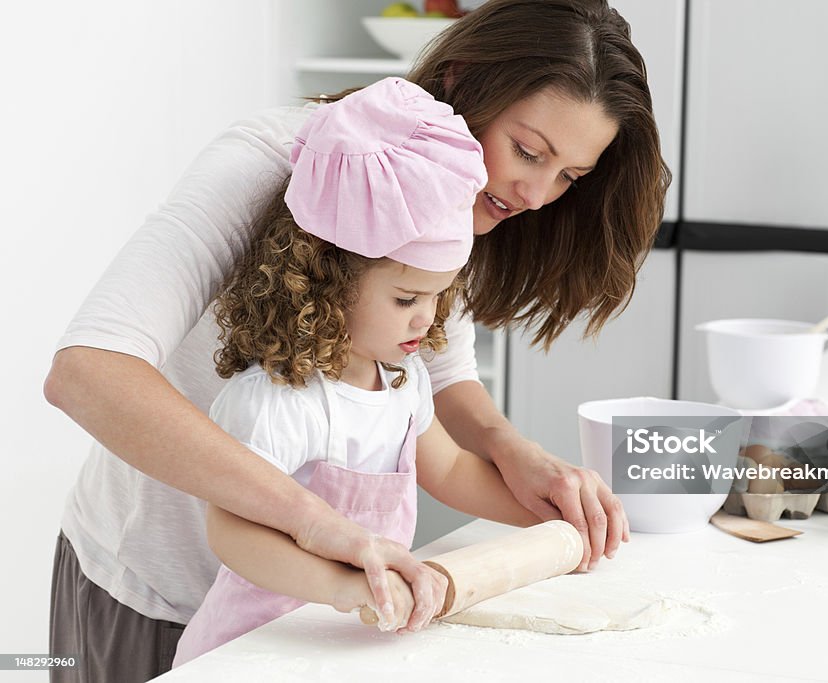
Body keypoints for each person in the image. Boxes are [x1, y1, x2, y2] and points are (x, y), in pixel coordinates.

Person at [44, 0, 669, 679]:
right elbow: (88, 371)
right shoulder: (270, 162)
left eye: (570, 176)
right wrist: (316, 527)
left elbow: (440, 374)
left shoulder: (455, 201)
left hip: (307, 625)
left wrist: (520, 459)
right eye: (528, 151)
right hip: (151, 597)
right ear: (462, 80)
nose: (538, 193)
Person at [171, 76, 541, 667]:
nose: (424, 319)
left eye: (437, 298)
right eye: (405, 300)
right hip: (257, 648)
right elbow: (232, 533)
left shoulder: (403, 380)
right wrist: (345, 587)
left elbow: (446, 468)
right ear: (327, 283)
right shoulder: (279, 401)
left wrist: (548, 515)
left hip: (349, 640)